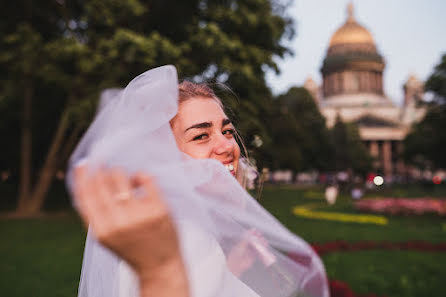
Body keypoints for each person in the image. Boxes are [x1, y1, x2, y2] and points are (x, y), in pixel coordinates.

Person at [68, 65, 329, 297]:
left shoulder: (180, 239)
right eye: (201, 136)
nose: (227, 145)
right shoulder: (183, 243)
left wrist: (228, 270)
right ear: (163, 158)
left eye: (227, 131)